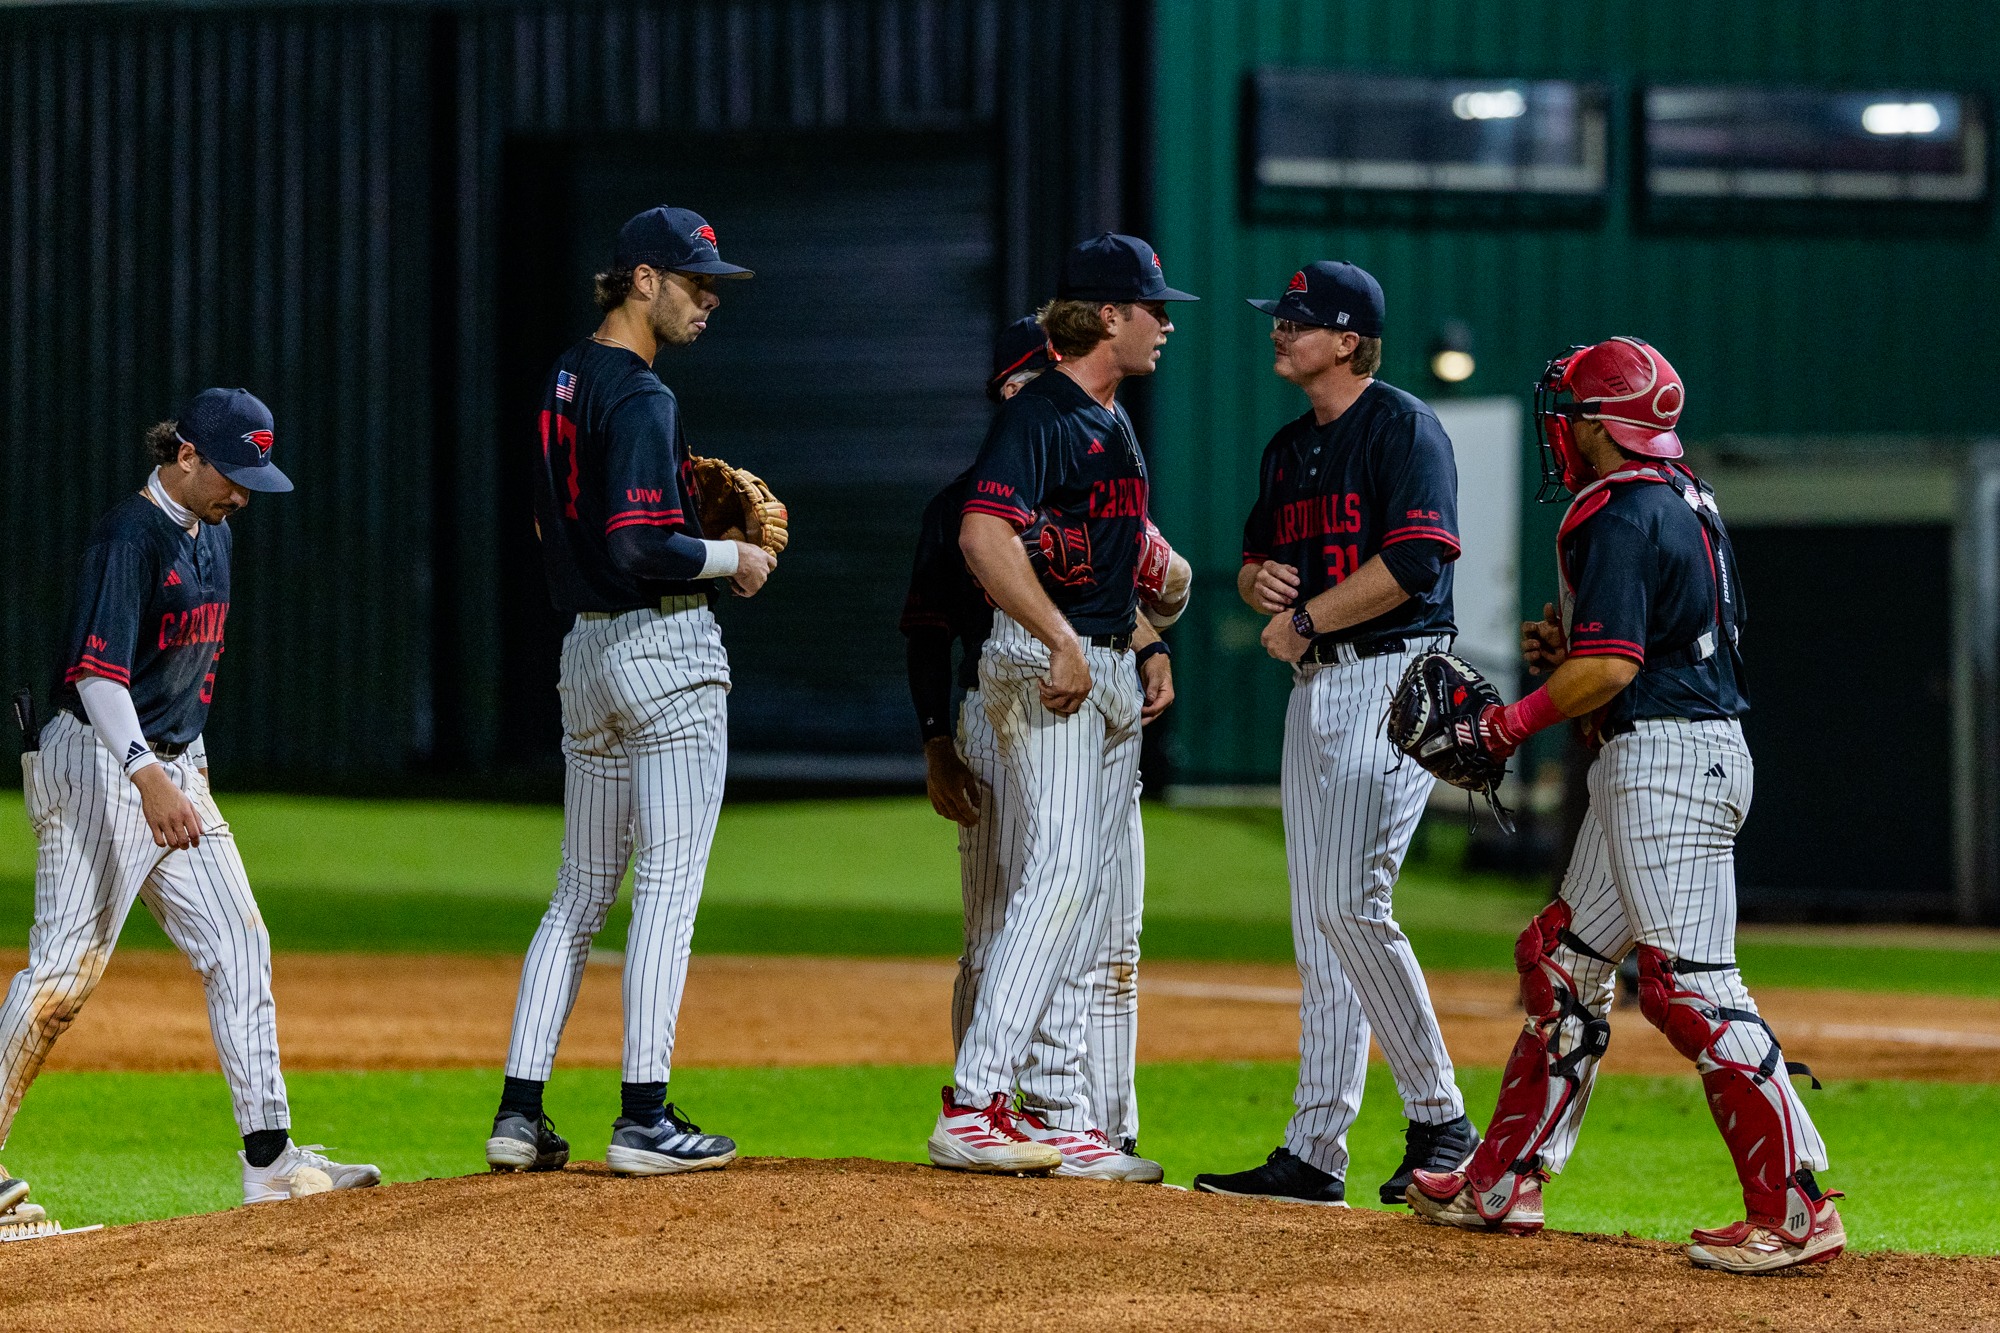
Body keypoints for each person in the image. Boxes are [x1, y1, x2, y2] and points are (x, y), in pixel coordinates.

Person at [1406, 337, 1843, 1275]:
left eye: (1571, 412)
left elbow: (1611, 666)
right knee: (1562, 962)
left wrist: (1507, 726)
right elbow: (1637, 635)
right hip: (1666, 751)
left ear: (1604, 426)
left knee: (1692, 987)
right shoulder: (1680, 495)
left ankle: (1796, 1206)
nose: (1559, 427)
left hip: (1669, 762)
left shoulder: (1621, 511)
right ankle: (1504, 1178)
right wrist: (1568, 645)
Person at [3, 389, 379, 1208]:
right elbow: (97, 674)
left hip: (174, 763)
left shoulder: (215, 535)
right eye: (232, 474)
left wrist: (180, 773)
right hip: (99, 760)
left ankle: (271, 1160)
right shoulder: (127, 537)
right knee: (64, 974)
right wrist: (147, 775)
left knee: (240, 943)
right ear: (185, 455)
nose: (242, 493)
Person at [486, 206, 775, 1177]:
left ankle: (519, 1112)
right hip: (663, 656)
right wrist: (731, 554)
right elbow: (640, 545)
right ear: (641, 279)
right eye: (697, 283)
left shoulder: (562, 378)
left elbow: (550, 532)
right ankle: (644, 1114)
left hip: (586, 657)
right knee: (667, 888)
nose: (709, 301)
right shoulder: (643, 397)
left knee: (576, 893)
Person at [1193, 262, 1476, 1208]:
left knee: (1352, 902)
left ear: (1349, 338)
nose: (1279, 330)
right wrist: (1259, 583)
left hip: (1394, 677)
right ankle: (1315, 1150)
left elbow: (1418, 557)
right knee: (1321, 926)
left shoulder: (1403, 428)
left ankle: (1443, 1118)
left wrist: (1309, 616)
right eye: (1280, 317)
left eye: (1299, 320)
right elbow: (1256, 559)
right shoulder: (1288, 448)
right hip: (1317, 690)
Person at [925, 235, 1196, 1176]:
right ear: (1108, 315)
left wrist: (1143, 637)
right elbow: (981, 534)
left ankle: (1052, 1109)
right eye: (1154, 307)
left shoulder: (1109, 421)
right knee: (1063, 873)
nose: (1167, 322)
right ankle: (974, 1100)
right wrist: (1060, 635)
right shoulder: (1040, 413)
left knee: (1092, 901)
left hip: (1105, 667)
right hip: (1047, 670)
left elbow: (1146, 576)